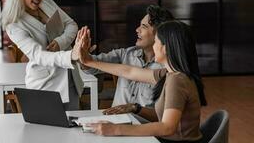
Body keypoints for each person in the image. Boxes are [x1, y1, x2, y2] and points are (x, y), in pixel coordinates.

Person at [76, 21, 207, 143]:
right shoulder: (170, 74)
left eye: (156, 41)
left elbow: (167, 127)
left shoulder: (177, 80)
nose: (153, 46)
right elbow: (129, 72)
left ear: (165, 48)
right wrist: (89, 61)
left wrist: (114, 129)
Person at [1, 0, 84, 110]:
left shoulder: (46, 0)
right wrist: (71, 55)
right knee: (47, 132)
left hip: (71, 79)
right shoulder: (13, 24)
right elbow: (38, 55)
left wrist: (60, 42)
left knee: (74, 130)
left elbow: (71, 24)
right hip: (45, 86)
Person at [82, 5, 175, 114]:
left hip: (144, 127)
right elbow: (91, 67)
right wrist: (84, 57)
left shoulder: (168, 68)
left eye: (143, 26)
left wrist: (135, 108)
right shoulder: (126, 54)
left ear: (159, 34)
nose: (137, 30)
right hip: (114, 122)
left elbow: (163, 117)